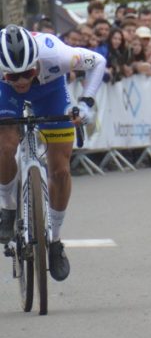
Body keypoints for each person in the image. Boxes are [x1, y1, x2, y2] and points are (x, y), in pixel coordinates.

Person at [0, 26, 105, 282]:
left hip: (51, 91)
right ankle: (9, 208)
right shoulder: (10, 81)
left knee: (60, 169)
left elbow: (98, 61)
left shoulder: (57, 54)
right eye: (14, 76)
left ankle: (55, 240)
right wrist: (11, 83)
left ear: (37, 62)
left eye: (27, 72)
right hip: (6, 96)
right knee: (5, 146)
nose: (22, 80)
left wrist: (85, 102)